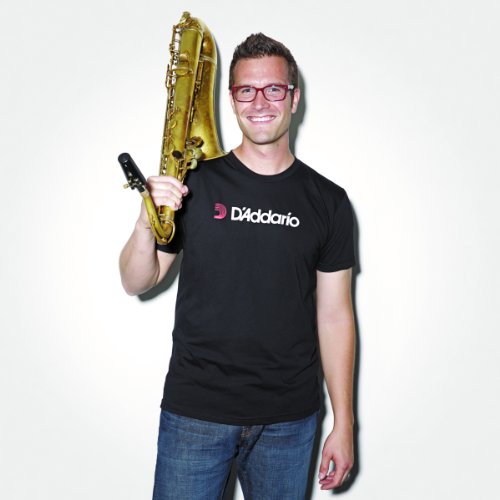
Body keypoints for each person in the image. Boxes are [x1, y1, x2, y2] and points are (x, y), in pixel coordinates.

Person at [120, 32, 356, 499]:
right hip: (195, 413)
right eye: (247, 90)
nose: (260, 102)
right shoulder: (194, 183)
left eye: (274, 89)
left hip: (289, 420)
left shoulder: (329, 201)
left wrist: (345, 421)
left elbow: (335, 315)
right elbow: (137, 280)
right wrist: (147, 219)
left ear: (294, 98)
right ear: (231, 100)